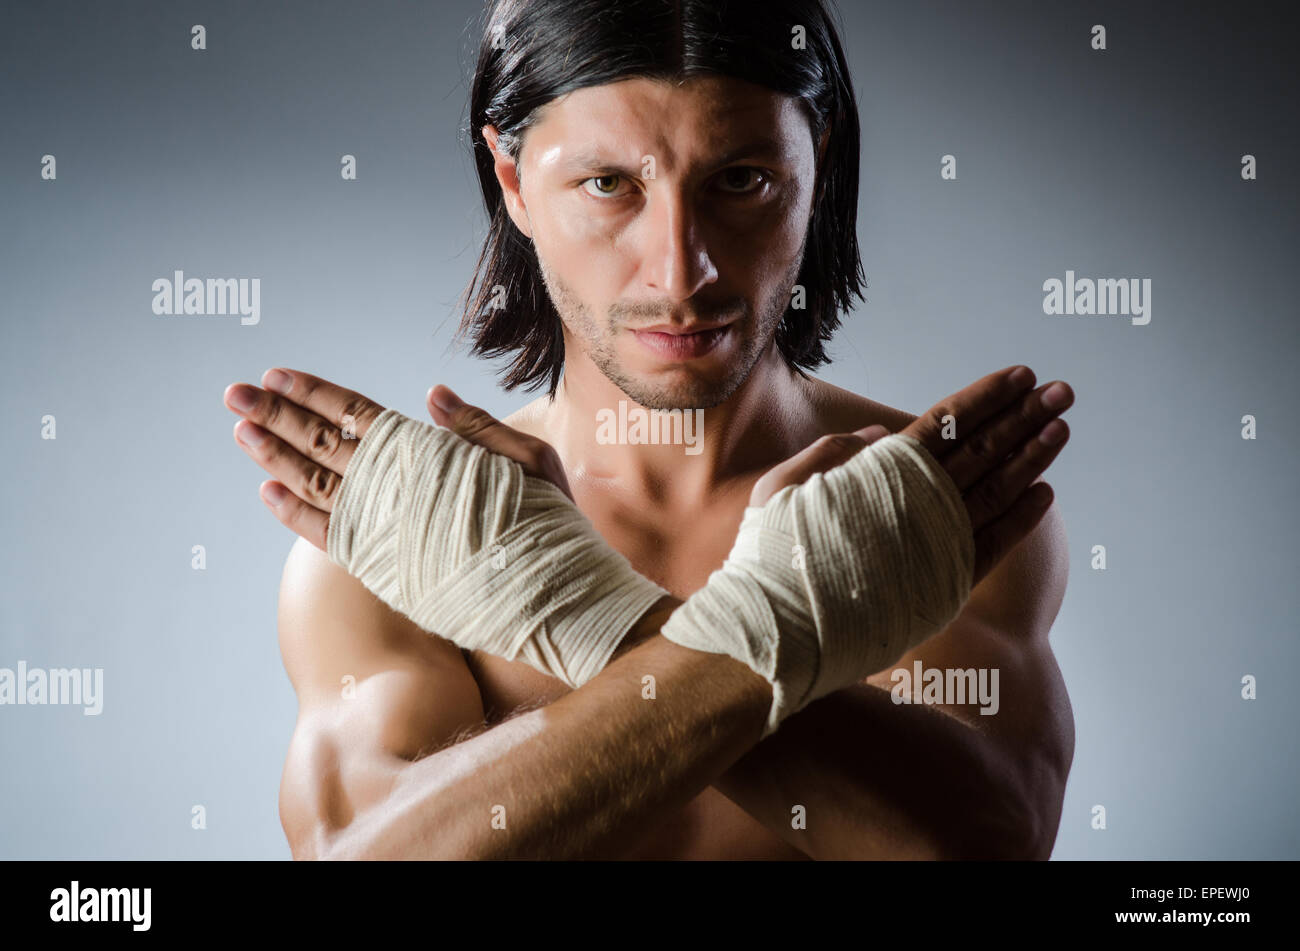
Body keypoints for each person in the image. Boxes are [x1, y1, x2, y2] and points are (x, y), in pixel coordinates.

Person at [223, 0, 1076, 859]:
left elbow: (995, 847)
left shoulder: (934, 505)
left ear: (815, 164)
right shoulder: (404, 540)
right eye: (608, 184)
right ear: (513, 182)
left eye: (739, 180)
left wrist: (566, 607)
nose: (681, 269)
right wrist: (777, 626)